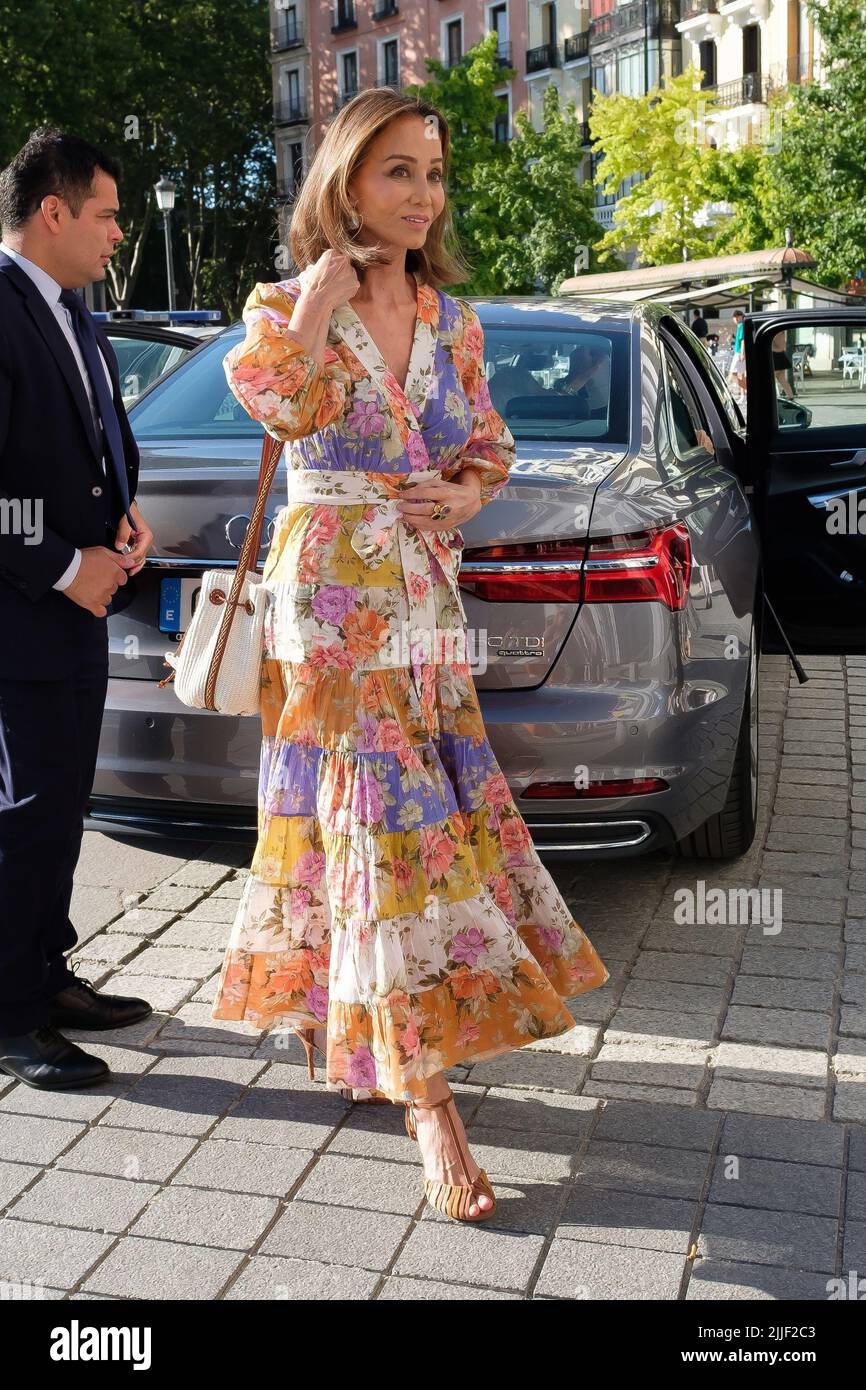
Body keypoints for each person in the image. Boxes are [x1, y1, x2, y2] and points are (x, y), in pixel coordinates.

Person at [210, 89, 610, 1223]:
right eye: (398, 170)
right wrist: (318, 299)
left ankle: (345, 1020)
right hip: (333, 605)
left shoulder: (455, 322)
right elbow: (277, 404)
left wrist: (467, 492)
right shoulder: (285, 304)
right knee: (379, 827)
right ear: (344, 178)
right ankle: (431, 1107)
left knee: (386, 826)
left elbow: (487, 441)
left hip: (424, 603)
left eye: (433, 173)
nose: (423, 194)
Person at [0, 129, 154, 1091]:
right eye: (105, 214)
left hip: (74, 613)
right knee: (23, 813)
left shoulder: (72, 311)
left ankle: (44, 977)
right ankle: (11, 1016)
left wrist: (125, 516)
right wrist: (64, 565)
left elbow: (97, 445)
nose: (117, 232)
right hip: (22, 612)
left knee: (60, 807)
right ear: (52, 212)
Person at [727, 309, 747, 401]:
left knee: (732, 375)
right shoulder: (740, 326)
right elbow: (740, 340)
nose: (733, 320)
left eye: (734, 318)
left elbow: (743, 340)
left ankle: (749, 392)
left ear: (738, 317)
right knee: (740, 376)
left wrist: (742, 353)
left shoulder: (741, 326)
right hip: (739, 353)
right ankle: (744, 396)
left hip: (739, 353)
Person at [772, 330, 794, 399]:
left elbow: (780, 347)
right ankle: (790, 397)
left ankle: (771, 399)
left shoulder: (778, 332)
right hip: (779, 356)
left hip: (776, 357)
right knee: (782, 380)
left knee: (771, 380)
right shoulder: (781, 332)